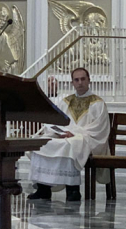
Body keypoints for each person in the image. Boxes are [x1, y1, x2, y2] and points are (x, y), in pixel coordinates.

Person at [27, 68, 110, 201]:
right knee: (41, 142)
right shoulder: (65, 101)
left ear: (89, 80)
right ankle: (43, 188)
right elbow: (57, 120)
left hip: (86, 138)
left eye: (83, 79)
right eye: (76, 80)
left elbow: (99, 128)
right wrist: (59, 131)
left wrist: (74, 133)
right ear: (72, 82)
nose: (80, 83)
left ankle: (73, 189)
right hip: (64, 136)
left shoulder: (98, 103)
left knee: (71, 145)